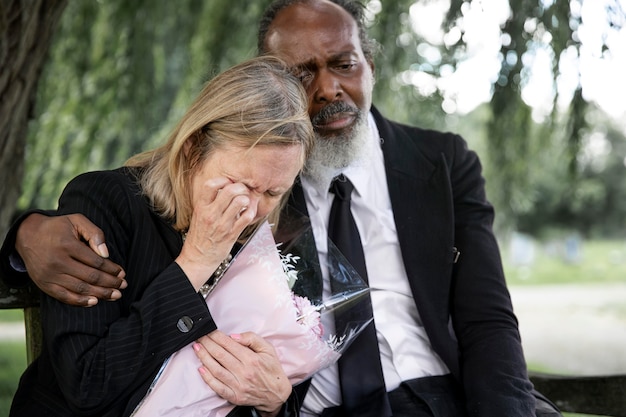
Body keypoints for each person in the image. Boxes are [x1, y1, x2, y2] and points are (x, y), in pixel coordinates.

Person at [1, 1, 562, 416]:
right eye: (300, 74)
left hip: (443, 392)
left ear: (369, 62)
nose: (327, 90)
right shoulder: (219, 183)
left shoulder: (431, 164)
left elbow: (488, 319)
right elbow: (97, 376)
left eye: (343, 63)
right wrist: (25, 233)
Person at [4, 55, 315, 417]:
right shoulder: (106, 203)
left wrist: (274, 403)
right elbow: (87, 384)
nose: (253, 209)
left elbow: (283, 390)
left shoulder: (274, 242)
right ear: (193, 149)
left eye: (274, 192)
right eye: (240, 185)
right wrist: (196, 262)